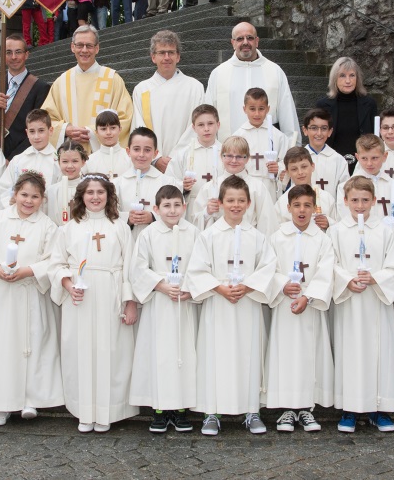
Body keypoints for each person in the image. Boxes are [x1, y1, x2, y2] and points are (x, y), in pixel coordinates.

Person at [185, 175, 279, 436]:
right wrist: (219, 287)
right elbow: (197, 269)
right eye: (230, 200)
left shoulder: (258, 237)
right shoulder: (209, 236)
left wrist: (248, 286)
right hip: (218, 303)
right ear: (220, 202)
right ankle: (211, 412)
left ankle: (251, 411)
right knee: (214, 356)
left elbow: (268, 267)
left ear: (249, 203)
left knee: (248, 355)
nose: (235, 205)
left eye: (240, 201)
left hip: (247, 304)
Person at [0, 171, 63, 426]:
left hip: (31, 292)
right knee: (2, 346)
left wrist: (28, 271)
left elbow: (54, 259)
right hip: (2, 294)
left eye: (35, 196)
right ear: (14, 194)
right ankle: (0, 404)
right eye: (24, 195)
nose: (28, 201)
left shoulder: (47, 226)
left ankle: (30, 399)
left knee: (33, 344)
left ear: (43, 199)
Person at [48, 174, 138, 433]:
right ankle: (84, 412)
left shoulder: (119, 225)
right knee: (81, 350)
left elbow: (130, 266)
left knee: (110, 351)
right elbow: (56, 265)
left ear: (109, 196)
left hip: (111, 292)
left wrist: (129, 302)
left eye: (101, 192)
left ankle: (107, 411)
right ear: (81, 196)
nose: (95, 197)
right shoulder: (69, 227)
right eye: (90, 192)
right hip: (80, 296)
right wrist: (68, 285)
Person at [329, 176, 394, 434]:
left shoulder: (385, 231)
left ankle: (377, 408)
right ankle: (349, 408)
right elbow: (330, 263)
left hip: (376, 302)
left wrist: (376, 278)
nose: (359, 205)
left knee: (378, 352)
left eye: (364, 200)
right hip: (349, 304)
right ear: (345, 201)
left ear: (374, 200)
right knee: (350, 354)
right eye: (354, 200)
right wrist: (347, 280)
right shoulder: (337, 231)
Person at [265, 184, 335, 433]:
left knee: (309, 355)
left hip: (310, 306)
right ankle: (286, 409)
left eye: (307, 205)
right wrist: (282, 285)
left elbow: (327, 271)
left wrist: (309, 297)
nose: (302, 210)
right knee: (285, 355)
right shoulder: (277, 237)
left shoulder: (322, 239)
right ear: (288, 208)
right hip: (285, 304)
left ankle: (306, 408)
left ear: (315, 208)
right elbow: (268, 268)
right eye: (297, 205)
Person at [129, 185, 200, 432]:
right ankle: (159, 410)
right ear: (156, 209)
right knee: (159, 356)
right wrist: (160, 285)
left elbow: (202, 265)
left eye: (177, 205)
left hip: (184, 304)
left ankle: (180, 410)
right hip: (159, 303)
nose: (172, 210)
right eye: (166, 206)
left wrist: (189, 288)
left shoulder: (194, 233)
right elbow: (138, 267)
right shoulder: (148, 234)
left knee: (184, 355)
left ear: (184, 206)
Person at [41, 25, 134, 152]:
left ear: (97, 48)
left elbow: (125, 118)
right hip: (70, 158)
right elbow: (46, 119)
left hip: (103, 158)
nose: (84, 50)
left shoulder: (112, 79)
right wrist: (65, 129)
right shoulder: (61, 81)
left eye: (89, 46)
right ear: (72, 47)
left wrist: (93, 132)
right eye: (79, 45)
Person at [206, 22, 300, 144]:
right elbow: (207, 115)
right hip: (231, 155)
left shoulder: (275, 71)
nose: (245, 42)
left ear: (257, 41)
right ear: (233, 43)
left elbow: (288, 113)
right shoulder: (218, 74)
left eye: (250, 38)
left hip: (268, 153)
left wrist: (293, 148)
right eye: (240, 38)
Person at [131, 30, 206, 170]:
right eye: (161, 53)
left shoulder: (195, 87)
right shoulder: (141, 90)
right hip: (152, 163)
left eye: (171, 52)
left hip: (185, 161)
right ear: (153, 57)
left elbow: (197, 127)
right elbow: (139, 127)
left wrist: (176, 157)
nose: (167, 57)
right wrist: (156, 158)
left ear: (178, 56)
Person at [191, 136, 279, 235]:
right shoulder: (210, 187)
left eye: (239, 156)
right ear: (221, 156)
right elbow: (195, 223)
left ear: (247, 158)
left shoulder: (257, 187)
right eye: (229, 156)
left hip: (248, 240)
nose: (233, 161)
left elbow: (267, 223)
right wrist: (207, 212)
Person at [0, 33, 51, 161]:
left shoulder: (40, 87)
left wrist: (15, 159)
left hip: (24, 156)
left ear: (26, 55)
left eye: (18, 52)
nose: (13, 57)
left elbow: (39, 128)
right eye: (9, 52)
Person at [316, 57, 379, 174]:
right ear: (334, 78)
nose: (348, 80)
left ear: (357, 78)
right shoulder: (323, 105)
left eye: (352, 75)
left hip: (363, 164)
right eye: (342, 76)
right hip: (332, 163)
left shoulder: (369, 104)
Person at [116, 127, 180, 240]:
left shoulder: (167, 182)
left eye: (147, 150)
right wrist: (127, 218)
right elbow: (111, 214)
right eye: (136, 149)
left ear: (155, 153)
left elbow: (177, 212)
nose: (141, 154)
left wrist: (153, 216)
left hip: (158, 240)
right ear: (128, 151)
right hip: (128, 240)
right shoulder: (117, 184)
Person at [0, 109, 62, 211]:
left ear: (50, 130)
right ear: (26, 133)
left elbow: (60, 194)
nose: (36, 136)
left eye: (41, 131)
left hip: (46, 217)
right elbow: (3, 189)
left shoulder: (58, 162)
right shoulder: (18, 160)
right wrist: (12, 203)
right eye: (32, 131)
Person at [168, 104, 222, 222]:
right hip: (192, 206)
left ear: (218, 125)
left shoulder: (226, 153)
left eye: (210, 124)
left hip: (219, 206)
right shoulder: (183, 154)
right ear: (194, 128)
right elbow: (169, 182)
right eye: (201, 125)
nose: (206, 129)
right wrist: (183, 186)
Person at [234, 87, 291, 199]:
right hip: (245, 186)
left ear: (268, 109)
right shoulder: (238, 136)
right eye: (252, 109)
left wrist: (278, 168)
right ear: (244, 109)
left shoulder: (278, 136)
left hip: (270, 186)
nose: (257, 113)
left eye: (261, 109)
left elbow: (288, 161)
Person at [352, 135, 394, 224]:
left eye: (374, 158)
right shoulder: (348, 187)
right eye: (364, 158)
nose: (369, 163)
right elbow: (345, 218)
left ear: (385, 156)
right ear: (357, 157)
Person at [276, 147, 338, 226]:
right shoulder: (282, 202)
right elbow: (277, 230)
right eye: (294, 169)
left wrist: (328, 223)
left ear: (312, 166)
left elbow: (337, 227)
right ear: (288, 172)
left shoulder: (327, 198)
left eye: (304, 167)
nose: (300, 172)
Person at [301, 108, 350, 202]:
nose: (319, 133)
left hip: (330, 213)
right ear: (305, 130)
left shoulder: (338, 160)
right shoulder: (297, 159)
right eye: (314, 128)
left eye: (324, 128)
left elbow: (344, 192)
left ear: (330, 132)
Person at [46, 140, 88, 226]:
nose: (70, 166)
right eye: (65, 161)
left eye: (75, 161)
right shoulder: (51, 191)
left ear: (83, 162)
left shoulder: (89, 189)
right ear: (59, 162)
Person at [85, 109, 133, 179]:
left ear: (120, 130)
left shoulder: (130, 158)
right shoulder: (90, 161)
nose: (108, 133)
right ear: (96, 132)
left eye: (112, 128)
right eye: (103, 129)